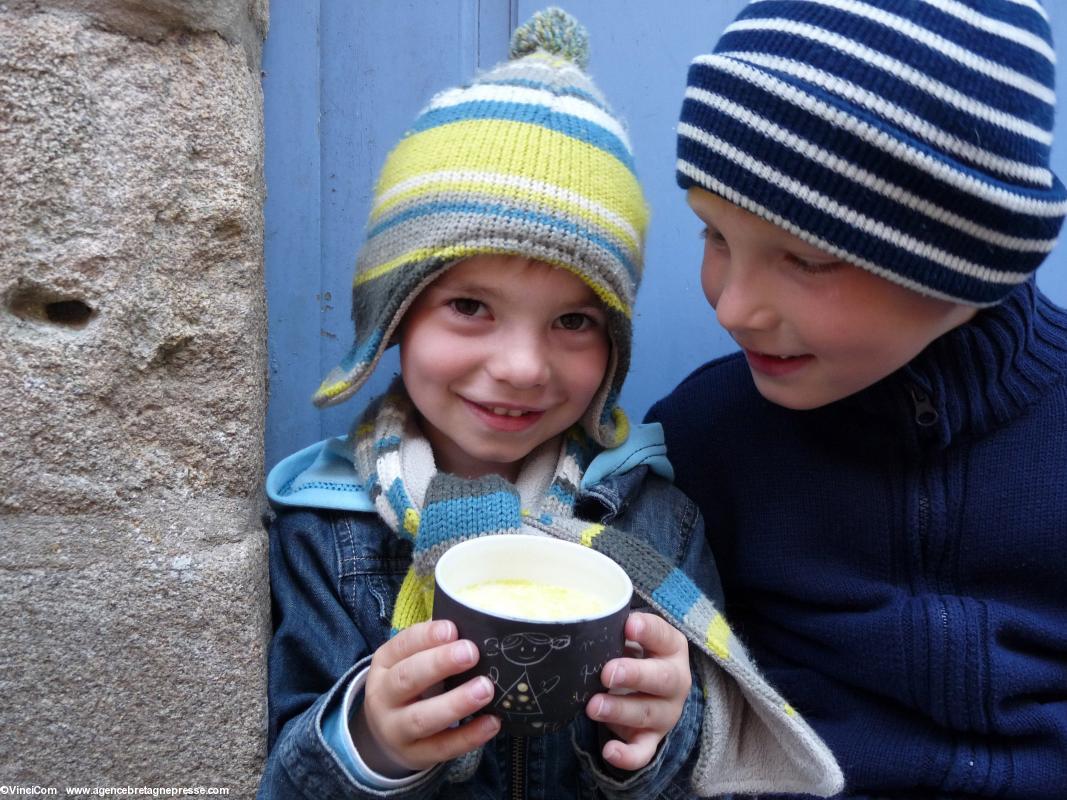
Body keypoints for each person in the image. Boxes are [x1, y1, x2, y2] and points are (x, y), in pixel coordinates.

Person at [258, 8, 843, 800]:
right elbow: (286, 771)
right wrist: (371, 738)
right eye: (469, 306)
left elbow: (690, 772)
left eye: (574, 320)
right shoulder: (325, 529)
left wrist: (657, 736)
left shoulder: (655, 523)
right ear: (391, 318)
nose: (523, 367)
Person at [647, 1, 1067, 797]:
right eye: (713, 235)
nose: (733, 307)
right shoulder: (705, 442)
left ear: (968, 258)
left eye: (802, 258)